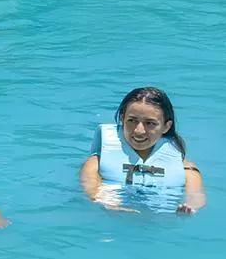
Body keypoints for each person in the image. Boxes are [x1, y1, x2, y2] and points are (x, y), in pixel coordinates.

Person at [80, 86, 205, 215]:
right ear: (122, 118)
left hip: (159, 224)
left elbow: (196, 196)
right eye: (132, 121)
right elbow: (90, 184)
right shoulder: (96, 163)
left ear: (166, 126)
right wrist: (102, 197)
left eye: (150, 123)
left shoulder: (187, 170)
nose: (139, 131)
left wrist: (189, 207)